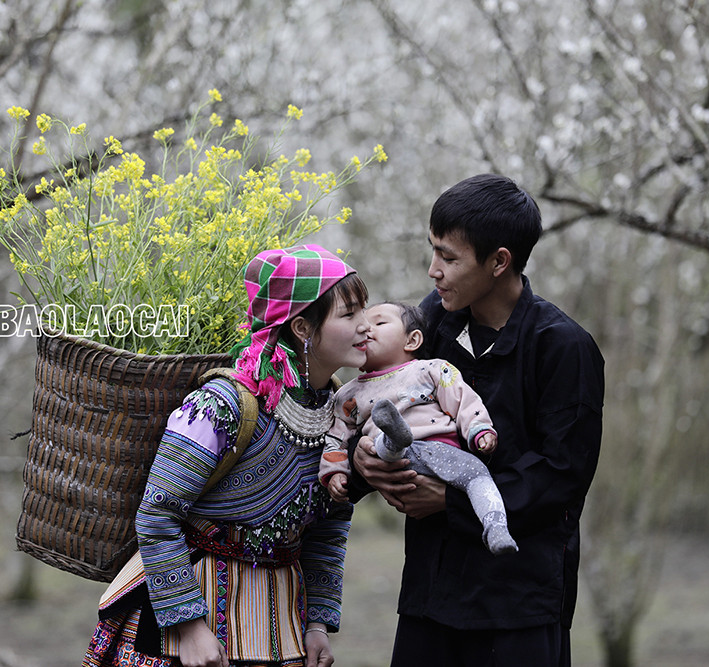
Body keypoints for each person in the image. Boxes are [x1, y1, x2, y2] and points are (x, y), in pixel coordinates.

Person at [350, 174, 604, 666]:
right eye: (433, 252)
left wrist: (449, 501)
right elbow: (377, 402)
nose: (432, 271)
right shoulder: (429, 327)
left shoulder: (563, 347)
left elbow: (560, 477)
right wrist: (365, 462)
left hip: (518, 608)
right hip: (430, 596)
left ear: (498, 262)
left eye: (448, 257)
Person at [81, 245, 370, 667]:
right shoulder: (223, 405)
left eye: (365, 310)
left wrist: (317, 625)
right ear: (303, 328)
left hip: (281, 623)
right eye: (349, 315)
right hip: (186, 617)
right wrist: (190, 627)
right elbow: (158, 513)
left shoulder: (340, 419)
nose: (367, 326)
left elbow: (328, 530)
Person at [320, 301, 517, 554]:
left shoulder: (431, 370)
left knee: (477, 473)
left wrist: (479, 431)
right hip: (392, 462)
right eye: (362, 326)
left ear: (412, 340)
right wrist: (335, 471)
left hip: (441, 451)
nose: (366, 329)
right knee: (384, 444)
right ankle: (393, 437)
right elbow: (337, 438)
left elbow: (464, 402)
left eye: (378, 323)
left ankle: (495, 526)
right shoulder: (349, 395)